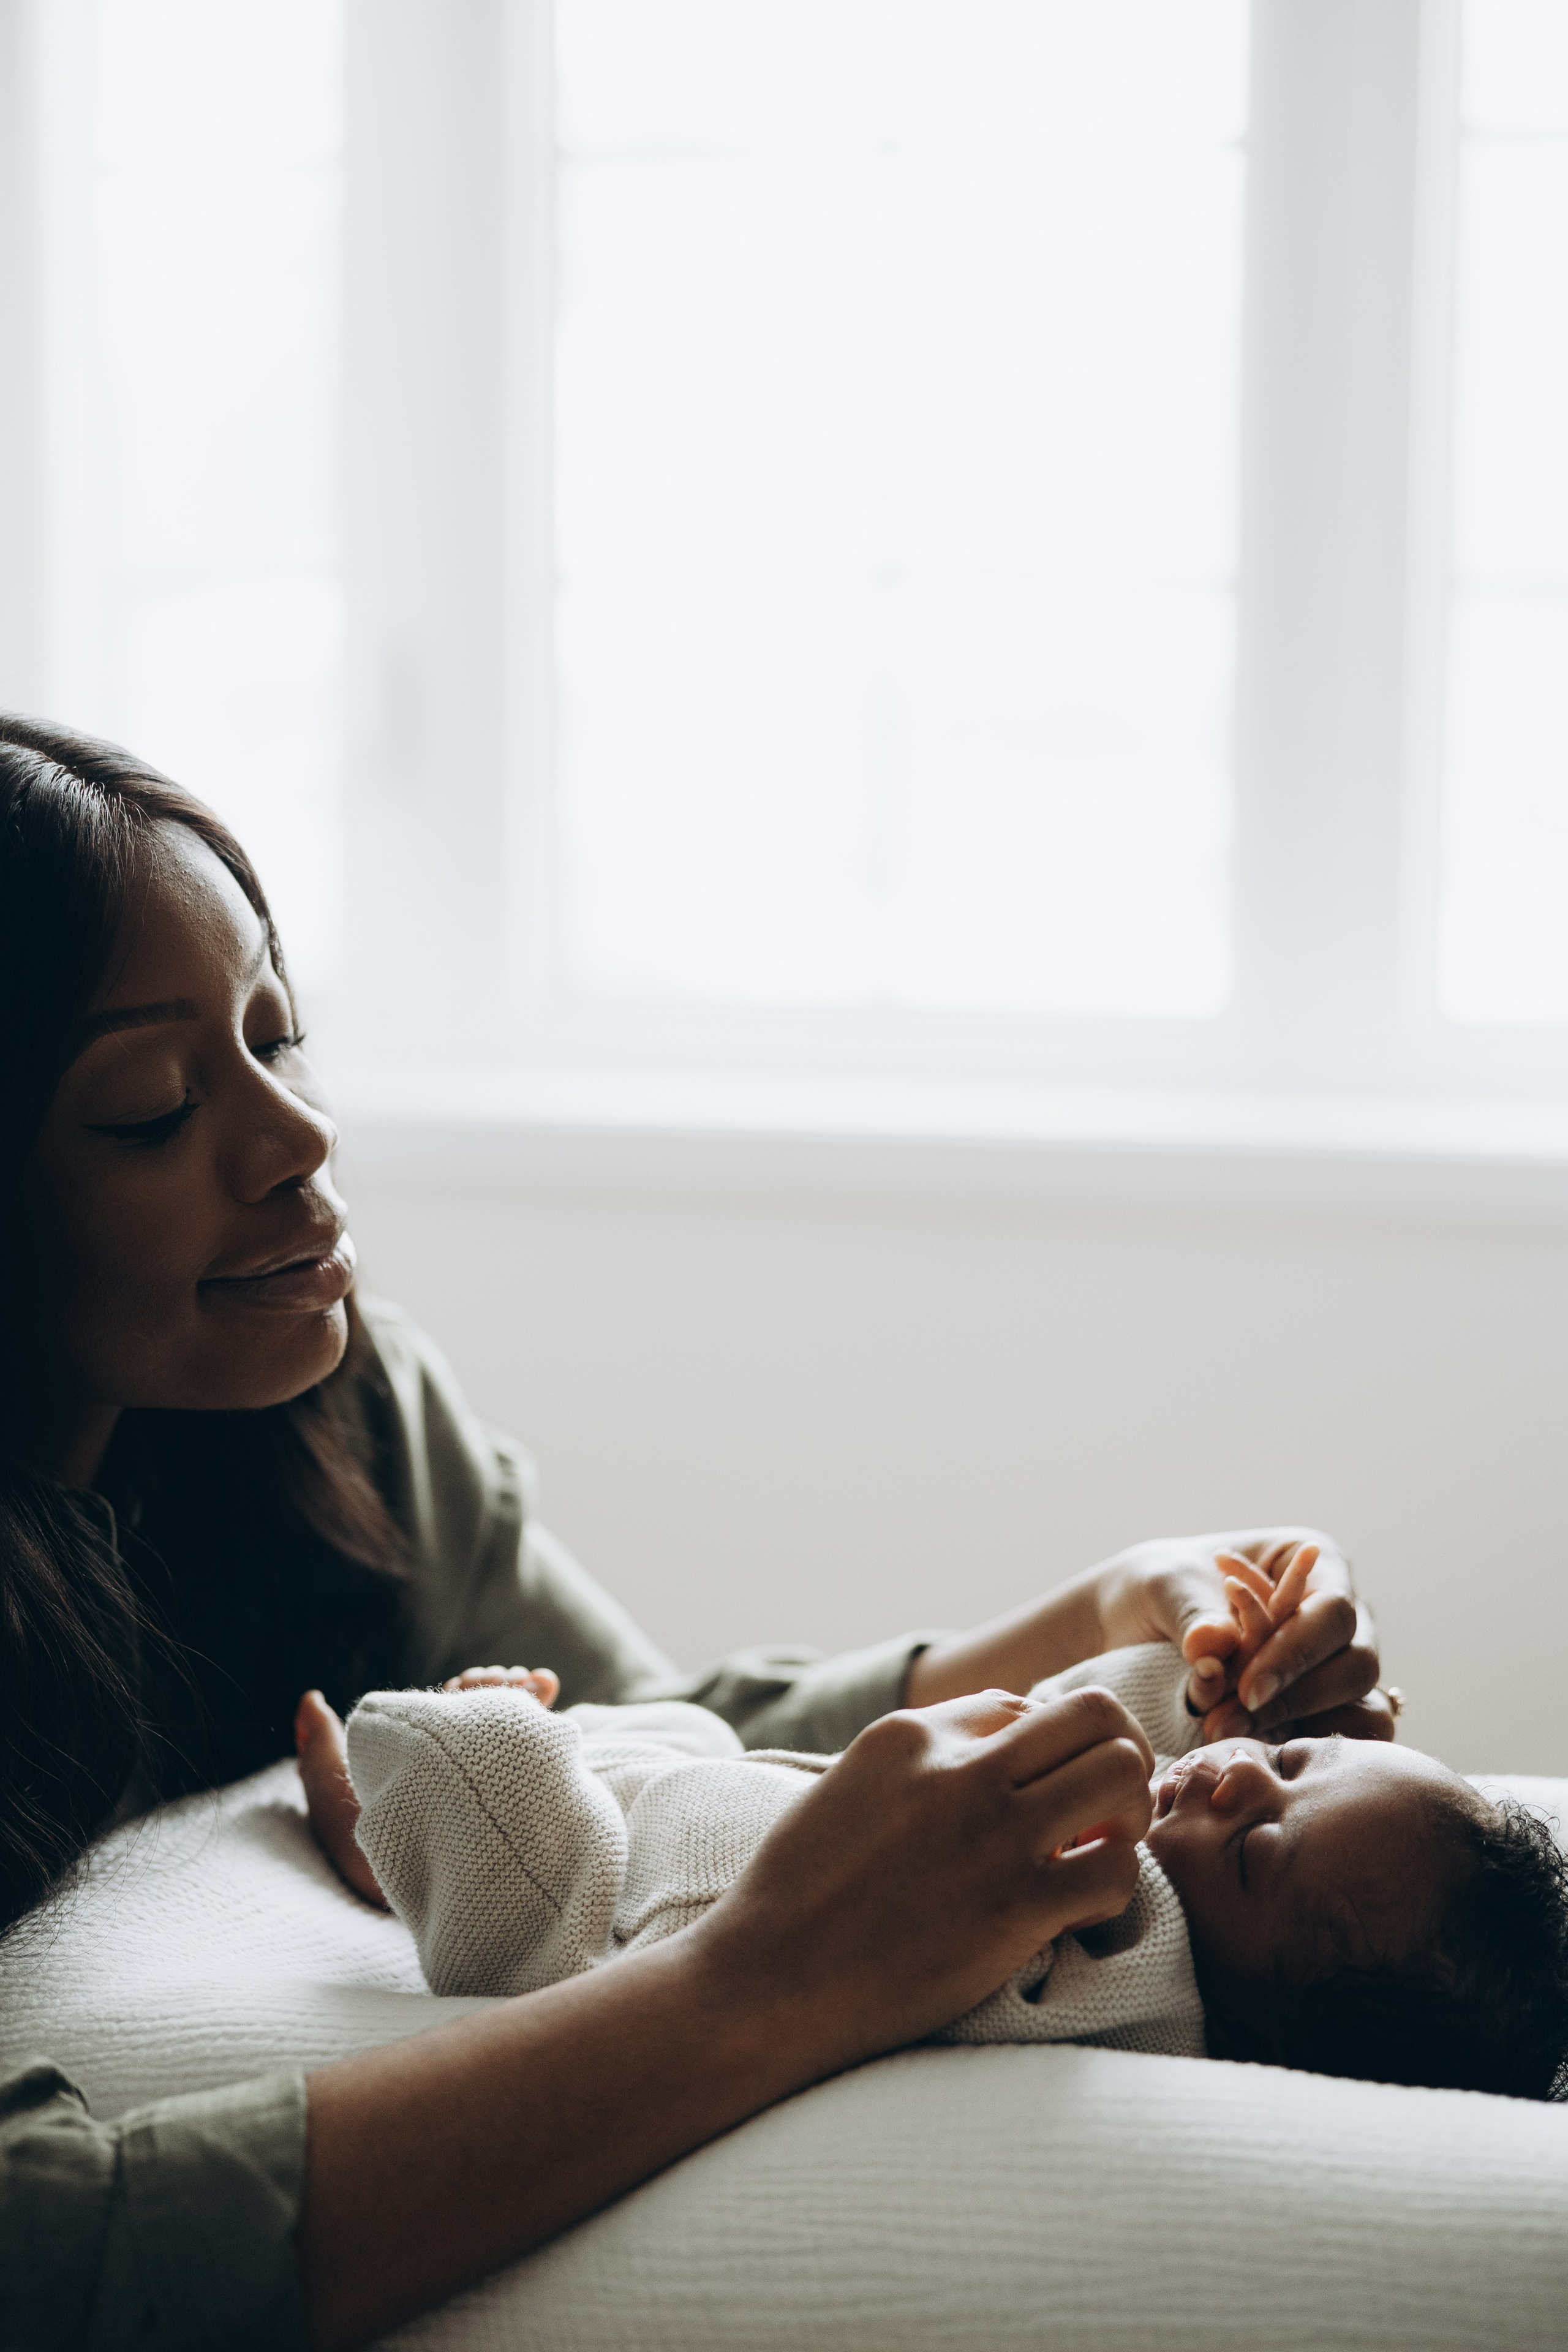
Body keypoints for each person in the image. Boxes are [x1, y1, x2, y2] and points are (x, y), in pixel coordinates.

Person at [0, 714, 1389, 2350]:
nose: (299, 1140)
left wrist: (1115, 1620)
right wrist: (766, 1986)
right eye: (154, 1108)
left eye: (277, 1034)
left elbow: (658, 1752)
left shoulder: (330, 1410)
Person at [334, 1542, 1568, 2102]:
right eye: (1292, 1757)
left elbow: (1088, 1727)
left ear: (1256, 2035)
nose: (1237, 1777)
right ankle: (387, 1825)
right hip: (717, 1793)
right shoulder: (1169, 1852)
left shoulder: (1128, 1982)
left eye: (1255, 1851)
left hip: (608, 1928)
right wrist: (1224, 1660)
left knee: (489, 1777)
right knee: (673, 1740)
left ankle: (394, 1800)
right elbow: (1128, 1715)